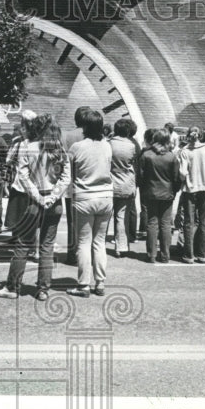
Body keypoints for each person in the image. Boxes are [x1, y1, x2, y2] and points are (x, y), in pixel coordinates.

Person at [0, 114, 71, 301]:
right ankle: (43, 288)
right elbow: (66, 177)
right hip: (54, 201)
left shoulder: (27, 147)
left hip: (33, 201)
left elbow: (23, 176)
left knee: (23, 244)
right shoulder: (59, 149)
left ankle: (12, 286)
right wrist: (53, 197)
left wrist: (38, 197)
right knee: (47, 246)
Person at [64, 110, 113, 297]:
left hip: (84, 197)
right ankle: (100, 283)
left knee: (84, 243)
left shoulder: (77, 147)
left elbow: (68, 171)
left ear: (84, 126)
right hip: (106, 197)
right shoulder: (107, 146)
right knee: (99, 243)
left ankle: (83, 284)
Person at [137, 130, 180, 263]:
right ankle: (165, 255)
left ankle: (151, 254)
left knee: (152, 223)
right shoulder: (171, 157)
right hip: (167, 193)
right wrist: (174, 191)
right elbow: (176, 178)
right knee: (166, 224)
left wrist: (143, 190)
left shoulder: (146, 155)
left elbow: (140, 176)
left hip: (150, 192)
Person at [179, 126, 205, 264]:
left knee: (188, 222)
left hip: (190, 189)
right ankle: (202, 254)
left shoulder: (185, 151)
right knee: (204, 221)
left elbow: (183, 173)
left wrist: (184, 179)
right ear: (200, 135)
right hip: (204, 187)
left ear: (188, 135)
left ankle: (188, 254)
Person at [60, 107, 92, 266]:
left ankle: (72, 254)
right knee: (90, 222)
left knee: (72, 221)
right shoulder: (94, 137)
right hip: (90, 183)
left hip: (72, 184)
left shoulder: (67, 136)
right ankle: (87, 254)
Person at [4, 111, 37, 252]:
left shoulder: (18, 142)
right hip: (35, 184)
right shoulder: (40, 140)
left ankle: (20, 242)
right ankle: (31, 245)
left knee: (18, 215)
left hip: (20, 184)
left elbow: (8, 160)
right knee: (32, 217)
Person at [108, 118, 139, 258]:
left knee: (105, 217)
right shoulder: (133, 145)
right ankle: (121, 247)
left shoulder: (108, 144)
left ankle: (98, 245)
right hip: (126, 183)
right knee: (121, 217)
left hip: (109, 182)